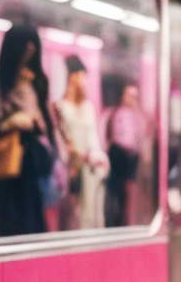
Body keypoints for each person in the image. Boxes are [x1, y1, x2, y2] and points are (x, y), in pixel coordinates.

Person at [0, 22, 56, 237]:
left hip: (34, 154)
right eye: (25, 47)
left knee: (33, 213)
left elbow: (43, 118)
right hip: (12, 153)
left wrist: (40, 124)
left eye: (33, 47)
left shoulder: (36, 81)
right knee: (12, 215)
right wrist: (18, 120)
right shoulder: (2, 81)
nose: (30, 51)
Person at [55, 55, 109, 230]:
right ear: (72, 76)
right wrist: (71, 157)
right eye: (81, 76)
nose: (83, 81)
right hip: (70, 168)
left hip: (89, 167)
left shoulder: (87, 107)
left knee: (91, 213)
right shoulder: (59, 106)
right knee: (72, 215)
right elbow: (60, 140)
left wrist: (96, 156)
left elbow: (93, 137)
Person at [105, 82, 147, 226]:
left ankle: (127, 221)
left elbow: (142, 136)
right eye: (129, 95)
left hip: (132, 156)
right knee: (114, 191)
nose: (131, 98)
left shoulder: (139, 116)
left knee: (129, 192)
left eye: (134, 96)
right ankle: (113, 222)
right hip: (117, 153)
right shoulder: (113, 113)